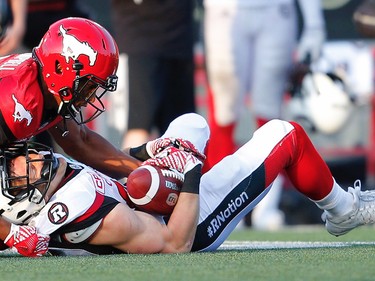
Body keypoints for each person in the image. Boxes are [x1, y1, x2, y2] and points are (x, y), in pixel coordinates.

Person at [1, 113, 374, 257]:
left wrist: (151, 151)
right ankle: (343, 210)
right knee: (285, 134)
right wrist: (189, 169)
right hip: (188, 222)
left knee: (191, 125)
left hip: (142, 199)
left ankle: (170, 160)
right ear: (25, 208)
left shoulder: (59, 195)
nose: (28, 160)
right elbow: (174, 244)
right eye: (19, 177)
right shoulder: (82, 210)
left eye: (15, 161)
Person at [202, 0, 326, 229]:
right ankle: (219, 205)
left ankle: (266, 207)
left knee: (269, 114)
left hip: (275, 11)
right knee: (223, 113)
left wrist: (314, 24)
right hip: (224, 11)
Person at [0, 17, 140, 179]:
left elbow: (81, 142)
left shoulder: (47, 86)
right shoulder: (15, 101)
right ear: (59, 68)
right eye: (88, 87)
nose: (92, 99)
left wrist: (145, 170)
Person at [110, 0, 197, 149]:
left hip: (179, 42)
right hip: (138, 43)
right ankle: (131, 173)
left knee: (182, 134)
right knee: (137, 130)